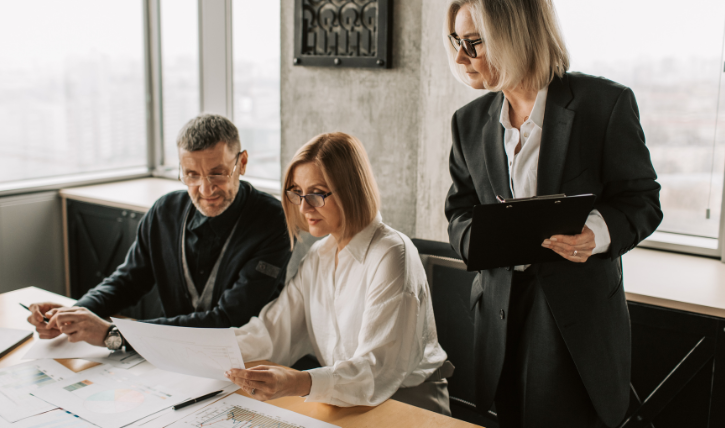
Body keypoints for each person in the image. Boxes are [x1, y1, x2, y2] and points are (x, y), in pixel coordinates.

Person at [443, 0, 662, 428]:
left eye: (473, 43)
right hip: (499, 310)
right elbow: (459, 210)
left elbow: (643, 200)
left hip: (574, 318)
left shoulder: (605, 104)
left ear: (514, 36)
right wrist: (479, 240)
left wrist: (594, 235)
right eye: (455, 41)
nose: (460, 57)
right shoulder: (468, 123)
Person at [225, 132, 452, 415]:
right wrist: (213, 351)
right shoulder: (319, 256)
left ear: (351, 189)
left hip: (408, 406)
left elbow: (374, 369)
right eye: (297, 192)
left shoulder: (392, 255)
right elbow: (272, 332)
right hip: (344, 403)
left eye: (317, 194)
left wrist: (299, 382)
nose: (304, 207)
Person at [26, 115, 292, 350]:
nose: (205, 189)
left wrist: (114, 335)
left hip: (247, 362)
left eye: (218, 174)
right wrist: (76, 313)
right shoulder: (164, 211)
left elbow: (229, 320)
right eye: (191, 175)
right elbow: (127, 281)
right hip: (167, 356)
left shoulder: (273, 220)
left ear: (242, 163)